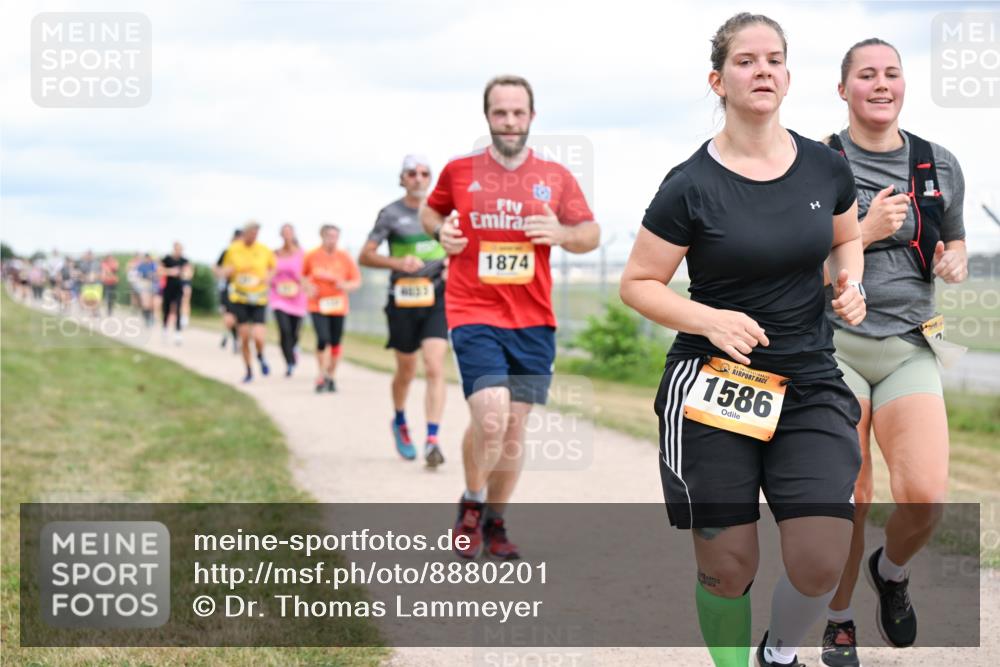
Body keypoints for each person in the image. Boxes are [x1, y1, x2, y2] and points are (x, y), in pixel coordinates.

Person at [618, 14, 867, 667]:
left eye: (774, 59)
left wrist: (850, 283)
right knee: (729, 563)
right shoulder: (689, 184)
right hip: (714, 388)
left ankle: (778, 653)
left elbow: (848, 236)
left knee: (819, 557)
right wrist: (709, 320)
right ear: (718, 80)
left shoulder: (825, 167)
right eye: (746, 60)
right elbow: (640, 282)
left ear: (788, 75)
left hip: (808, 384)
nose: (763, 70)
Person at [815, 39, 968, 667]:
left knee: (925, 496)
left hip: (909, 344)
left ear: (904, 85)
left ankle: (893, 570)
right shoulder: (815, 163)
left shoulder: (938, 163)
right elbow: (785, 256)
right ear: (843, 87)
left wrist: (953, 258)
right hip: (834, 344)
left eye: (892, 74)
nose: (881, 84)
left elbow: (952, 240)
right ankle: (839, 617)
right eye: (866, 75)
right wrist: (864, 230)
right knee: (852, 494)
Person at [421, 75, 599, 559]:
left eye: (518, 113)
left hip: (533, 319)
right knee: (492, 416)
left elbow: (591, 234)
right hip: (473, 309)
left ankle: (496, 522)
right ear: (487, 117)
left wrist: (560, 232)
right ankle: (472, 505)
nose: (510, 122)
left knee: (514, 429)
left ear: (532, 117)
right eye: (500, 113)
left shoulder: (556, 176)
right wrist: (444, 232)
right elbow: (431, 213)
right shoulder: (459, 171)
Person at [359, 154, 449, 466]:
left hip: (437, 295)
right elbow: (365, 255)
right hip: (403, 298)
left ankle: (433, 439)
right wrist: (397, 262)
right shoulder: (390, 214)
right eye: (412, 173)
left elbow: (459, 246)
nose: (418, 178)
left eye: (425, 173)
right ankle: (399, 420)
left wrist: (453, 263)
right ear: (402, 179)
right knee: (407, 370)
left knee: (435, 365)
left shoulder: (442, 213)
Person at [303, 224, 361, 393]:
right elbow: (302, 276)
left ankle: (331, 375)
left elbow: (356, 281)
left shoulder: (345, 257)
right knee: (323, 339)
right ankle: (321, 375)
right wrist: (308, 287)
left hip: (338, 306)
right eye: (329, 236)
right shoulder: (311, 255)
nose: (332, 240)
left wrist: (345, 285)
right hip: (317, 305)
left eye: (335, 236)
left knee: (335, 342)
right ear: (322, 236)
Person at [221, 221, 276, 383]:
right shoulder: (233, 249)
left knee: (258, 337)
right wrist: (227, 272)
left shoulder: (264, 250)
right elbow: (224, 270)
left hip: (258, 298)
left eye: (256, 233)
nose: (253, 236)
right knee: (244, 337)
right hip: (239, 298)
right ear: (245, 233)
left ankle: (260, 356)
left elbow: (273, 268)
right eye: (251, 233)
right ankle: (249, 370)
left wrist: (268, 277)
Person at [271, 223, 307, 377]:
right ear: (280, 235)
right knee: (284, 330)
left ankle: (294, 348)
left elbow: (306, 274)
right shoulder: (274, 254)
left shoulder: (302, 254)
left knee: (294, 332)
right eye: (284, 232)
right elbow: (268, 272)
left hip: (297, 298)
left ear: (293, 234)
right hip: (278, 297)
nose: (287, 235)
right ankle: (290, 362)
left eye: (289, 232)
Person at [215, 229, 243, 352]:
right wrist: (224, 273)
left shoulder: (246, 253)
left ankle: (232, 337)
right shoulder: (227, 252)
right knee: (228, 316)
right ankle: (233, 337)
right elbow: (216, 268)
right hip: (227, 288)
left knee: (237, 317)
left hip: (242, 290)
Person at [159, 243, 188, 344]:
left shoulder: (184, 260)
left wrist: (184, 274)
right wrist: (171, 271)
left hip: (178, 288)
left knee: (178, 309)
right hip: (168, 287)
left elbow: (188, 272)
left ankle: (178, 332)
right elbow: (160, 270)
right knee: (166, 309)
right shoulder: (167, 259)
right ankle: (165, 329)